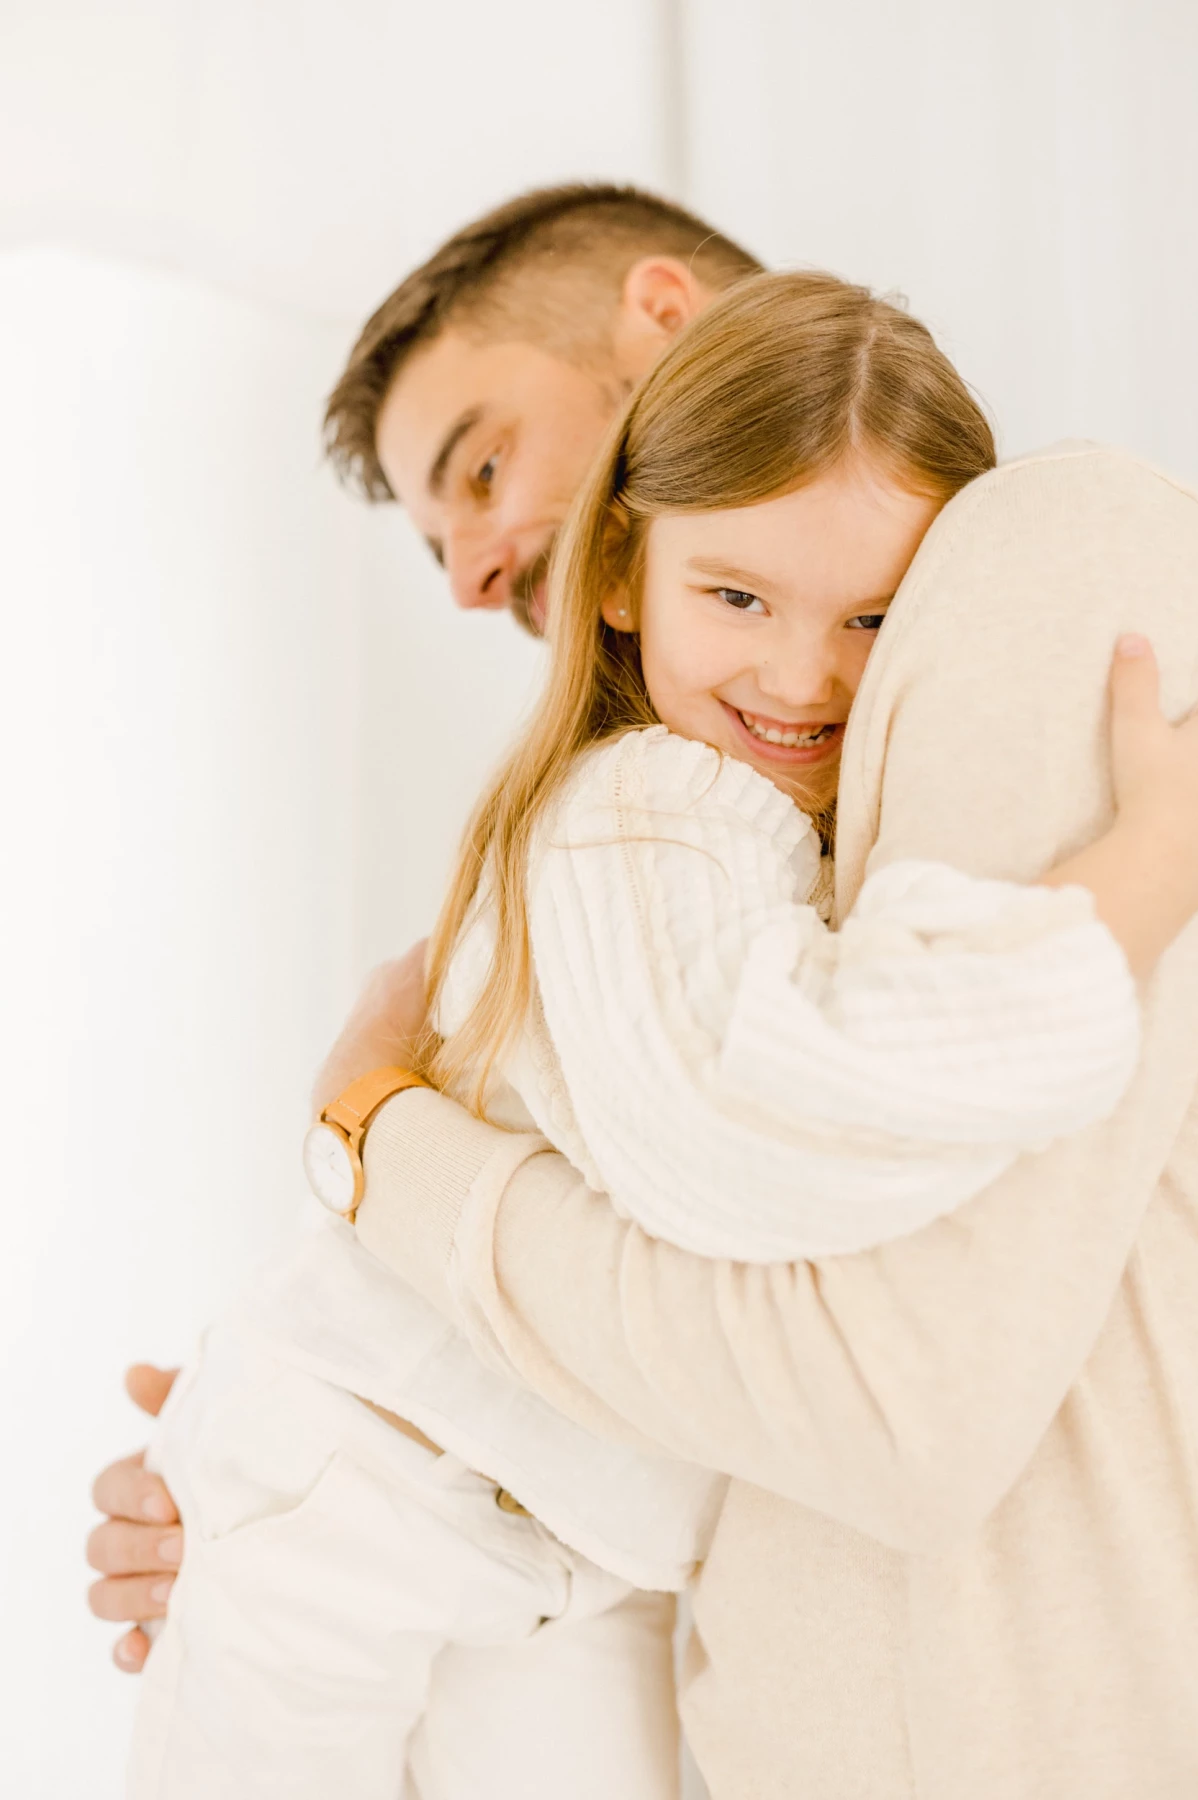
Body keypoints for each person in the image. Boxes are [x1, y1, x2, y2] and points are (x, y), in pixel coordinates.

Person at [124, 271, 1198, 1799]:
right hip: (383, 1471)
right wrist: (1133, 888)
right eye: (739, 599)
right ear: (627, 571)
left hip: (587, 1547)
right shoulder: (642, 810)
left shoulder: (1014, 610)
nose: (799, 672)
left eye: (872, 618)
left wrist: (378, 1141)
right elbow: (772, 1126)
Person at [87, 180, 764, 1664]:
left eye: (482, 466)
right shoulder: (639, 803)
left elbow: (777, 1329)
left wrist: (368, 1126)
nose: (469, 579)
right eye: (437, 538)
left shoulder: (968, 632)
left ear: (663, 316)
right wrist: (315, 1451)